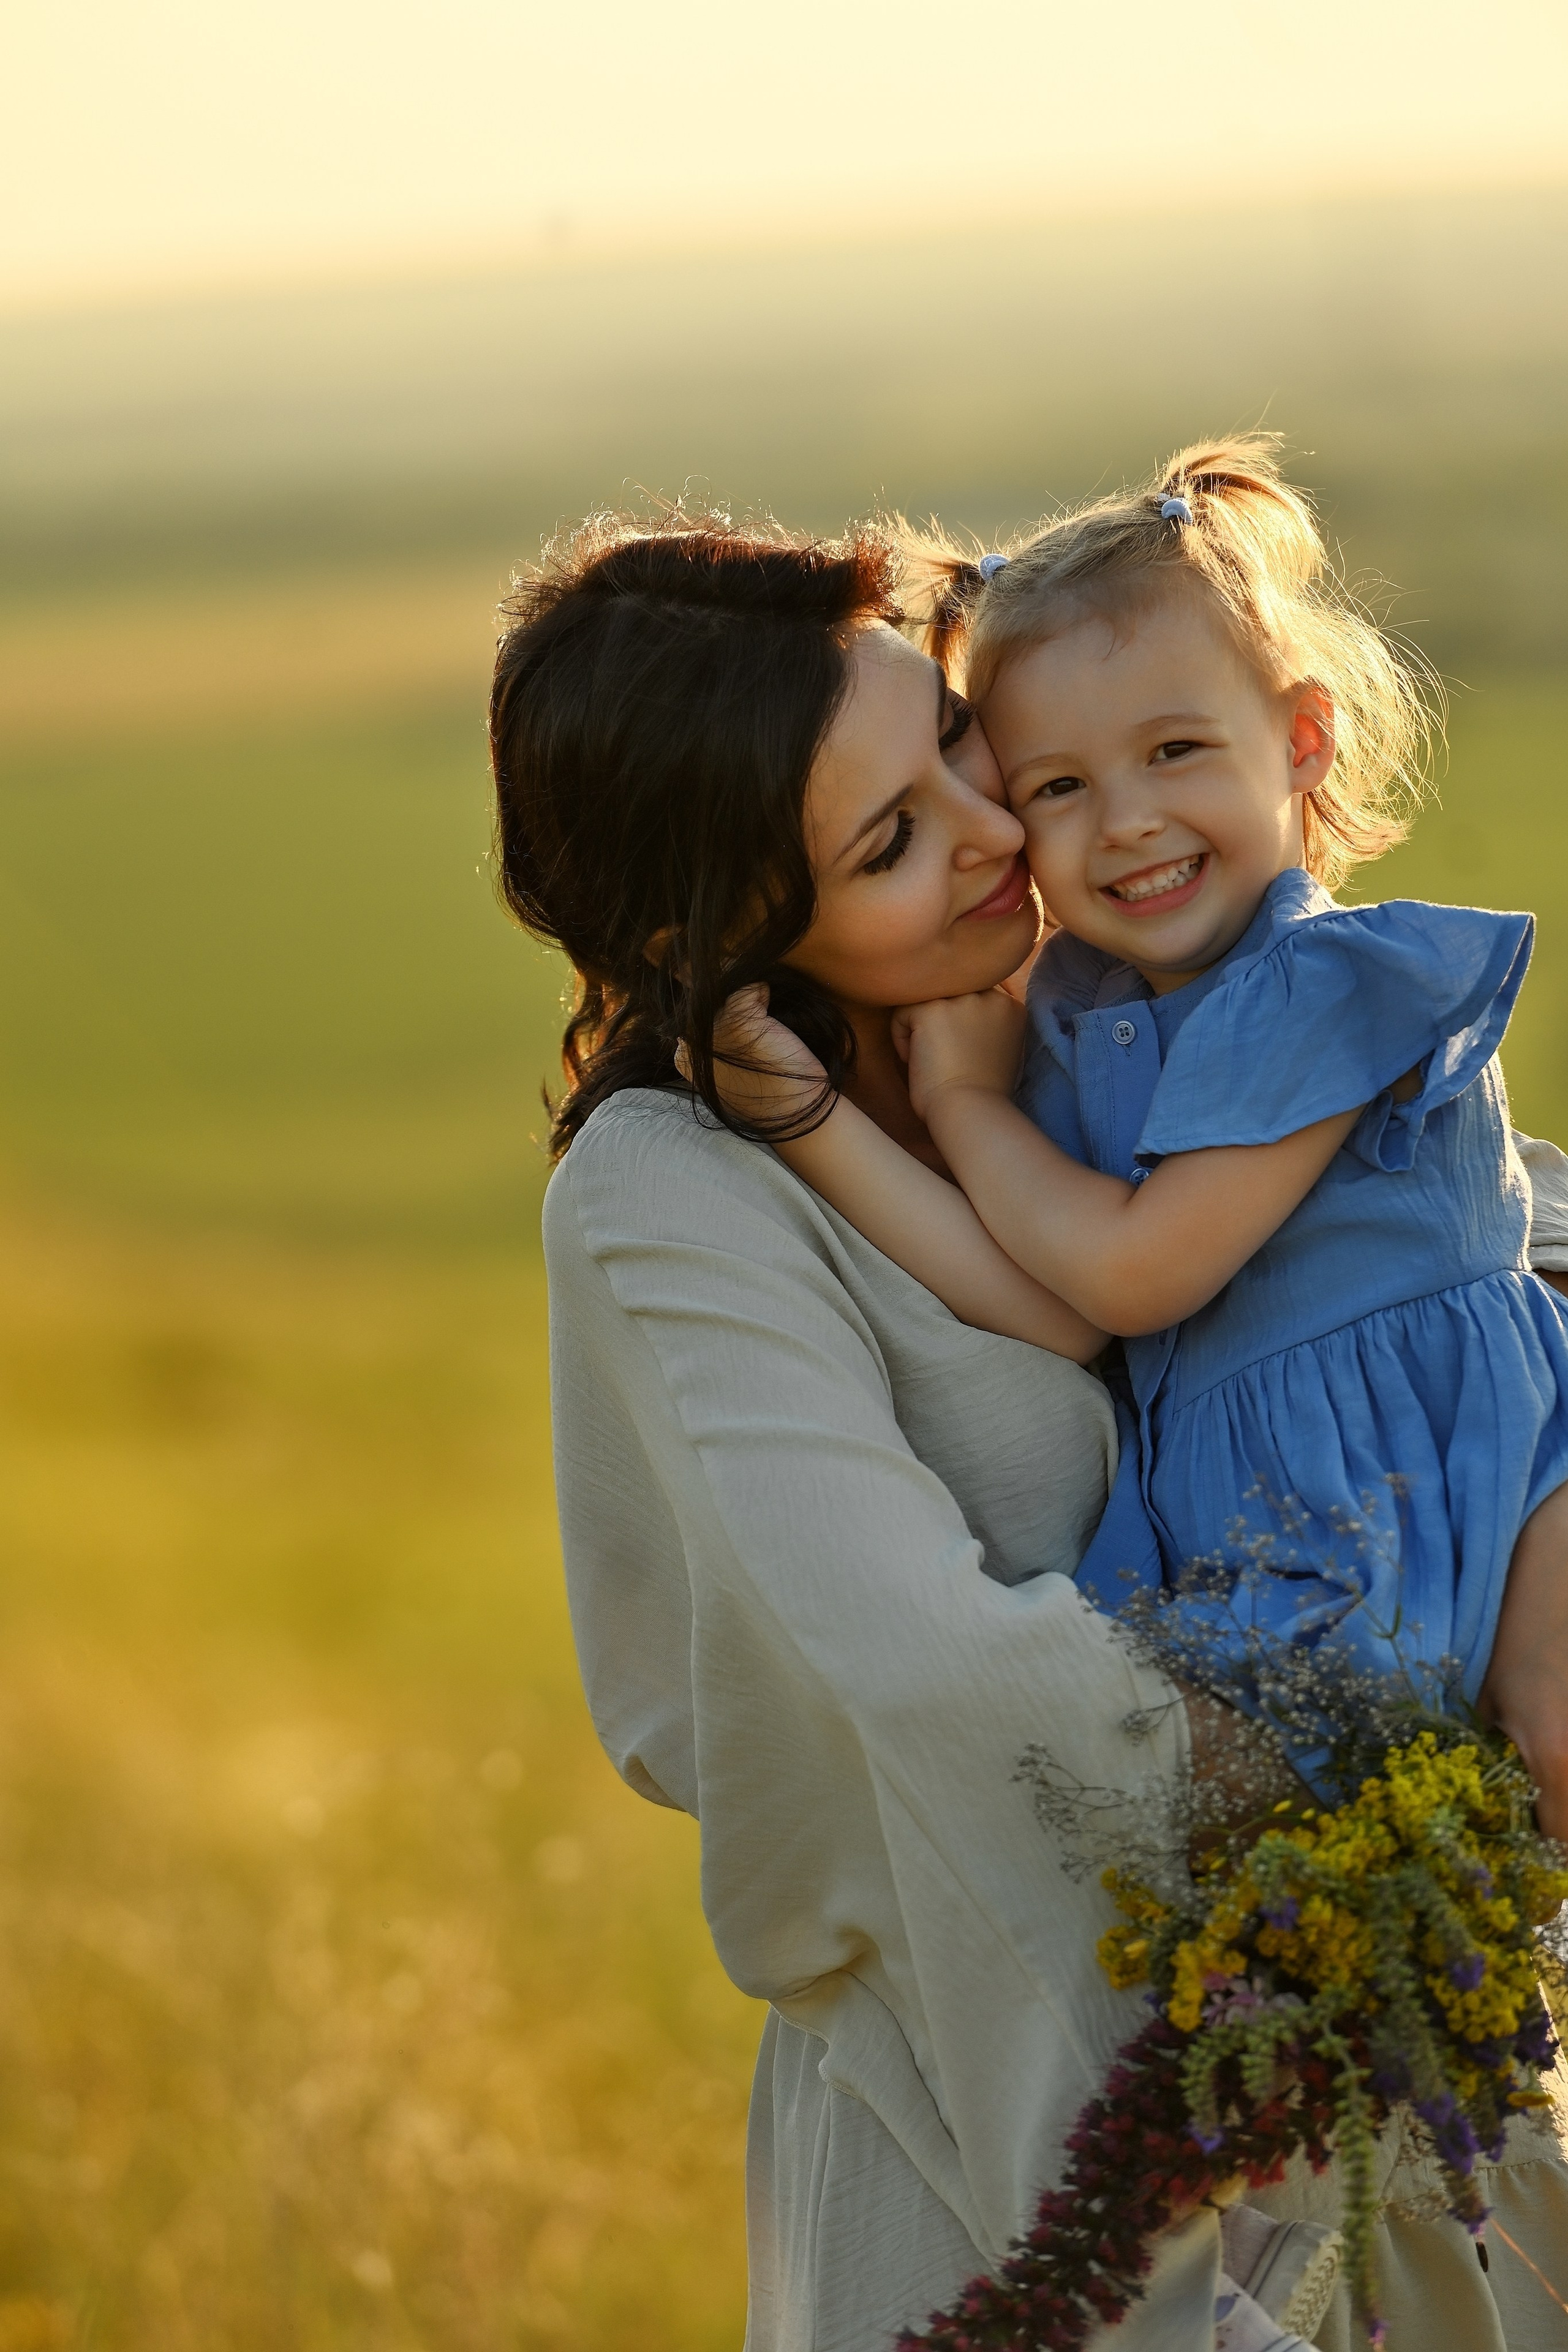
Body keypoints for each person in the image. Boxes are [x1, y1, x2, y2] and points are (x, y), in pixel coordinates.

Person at [489, 509, 1568, 2350]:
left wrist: (1535, 1542)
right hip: (1018, 2115)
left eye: (956, 750)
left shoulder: (1071, 1004)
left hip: (1390, 2057)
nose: (1000, 836)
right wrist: (1343, 1769)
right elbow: (926, 1681)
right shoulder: (675, 1188)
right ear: (717, 926)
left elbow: (1492, 1229)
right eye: (892, 841)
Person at [707, 440, 1568, 1838]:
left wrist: (964, 1107)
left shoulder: (1317, 986)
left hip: (1452, 1479)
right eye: (1057, 786)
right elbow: (1053, 1310)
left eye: (1174, 751)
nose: (1126, 824)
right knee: (1279, 1864)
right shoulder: (1082, 1013)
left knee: (1520, 1774)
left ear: (1301, 740)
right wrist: (806, 1123)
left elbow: (1129, 1275)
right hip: (1281, 1530)